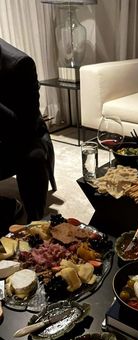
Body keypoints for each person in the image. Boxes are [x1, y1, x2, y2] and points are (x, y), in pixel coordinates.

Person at [0, 38, 56, 232]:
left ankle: (35, 222)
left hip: (19, 137)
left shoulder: (19, 64)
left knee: (33, 157)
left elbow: (26, 125)